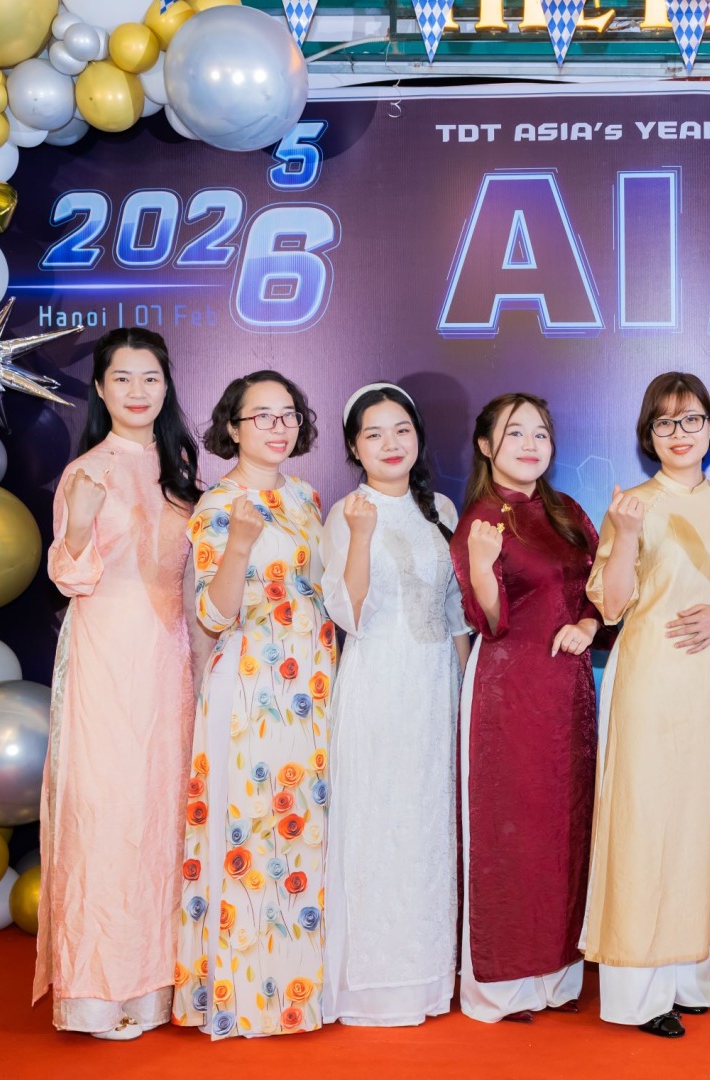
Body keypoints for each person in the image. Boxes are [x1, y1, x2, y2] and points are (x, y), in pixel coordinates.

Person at [36, 328, 200, 1040]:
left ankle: (157, 986)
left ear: (167, 387)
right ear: (101, 389)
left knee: (164, 812)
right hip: (106, 655)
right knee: (107, 814)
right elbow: (69, 577)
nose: (138, 391)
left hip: (171, 659)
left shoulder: (180, 468)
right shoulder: (86, 471)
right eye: (123, 378)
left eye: (150, 378)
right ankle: (100, 992)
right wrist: (75, 524)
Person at [584, 372, 710, 1038]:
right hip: (648, 678)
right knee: (644, 821)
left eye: (692, 420)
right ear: (647, 435)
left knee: (702, 819)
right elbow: (609, 605)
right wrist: (625, 535)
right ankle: (639, 991)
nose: (679, 434)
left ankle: (693, 978)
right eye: (665, 422)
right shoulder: (632, 504)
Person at [172, 371, 336, 1039]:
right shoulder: (219, 504)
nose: (278, 426)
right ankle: (243, 997)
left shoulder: (306, 496)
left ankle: (297, 990)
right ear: (232, 428)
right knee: (251, 831)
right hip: (251, 683)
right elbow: (212, 616)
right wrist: (238, 542)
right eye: (261, 415)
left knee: (300, 834)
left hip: (311, 686)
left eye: (288, 414)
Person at [318, 382, 469, 1027]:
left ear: (418, 438)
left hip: (436, 683)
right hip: (378, 682)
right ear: (354, 447)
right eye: (374, 433)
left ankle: (429, 976)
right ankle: (374, 987)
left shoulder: (441, 508)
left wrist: (467, 689)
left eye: (401, 430)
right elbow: (347, 614)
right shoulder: (346, 512)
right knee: (379, 823)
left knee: (428, 825)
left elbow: (456, 612)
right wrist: (359, 536)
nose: (390, 443)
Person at [450, 392, 602, 1023]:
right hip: (509, 694)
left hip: (570, 695)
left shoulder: (566, 511)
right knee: (510, 830)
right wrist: (483, 568)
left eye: (540, 432)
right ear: (486, 446)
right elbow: (488, 621)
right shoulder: (482, 520)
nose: (530, 444)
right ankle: (502, 984)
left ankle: (557, 977)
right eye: (515, 433)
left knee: (565, 827)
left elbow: (598, 589)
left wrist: (590, 623)